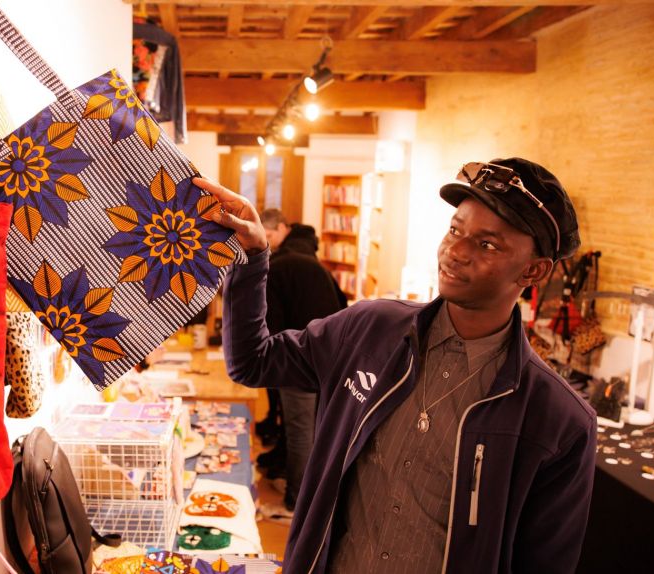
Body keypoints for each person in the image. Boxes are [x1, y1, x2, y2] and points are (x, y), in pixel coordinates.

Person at [193, 157, 596, 574]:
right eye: (455, 230)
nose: (456, 251)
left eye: (487, 244)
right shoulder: (370, 330)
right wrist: (253, 255)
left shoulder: (558, 421)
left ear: (534, 270)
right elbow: (253, 362)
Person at [257, 208, 347, 524]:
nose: (266, 243)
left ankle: (296, 505)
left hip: (301, 360)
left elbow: (272, 327)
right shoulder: (308, 258)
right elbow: (342, 303)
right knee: (310, 429)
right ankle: (304, 497)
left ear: (282, 229)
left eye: (269, 236)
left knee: (300, 432)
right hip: (329, 356)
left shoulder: (279, 266)